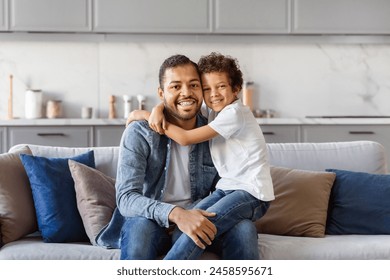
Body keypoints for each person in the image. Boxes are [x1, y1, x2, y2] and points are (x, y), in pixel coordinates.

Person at [95, 54, 261, 260]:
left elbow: (226, 184)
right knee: (139, 230)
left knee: (244, 229)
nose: (186, 93)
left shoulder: (214, 130)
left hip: (199, 214)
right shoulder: (139, 133)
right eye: (175, 87)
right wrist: (176, 214)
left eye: (194, 85)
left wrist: (149, 111)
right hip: (151, 220)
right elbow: (126, 199)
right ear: (161, 92)